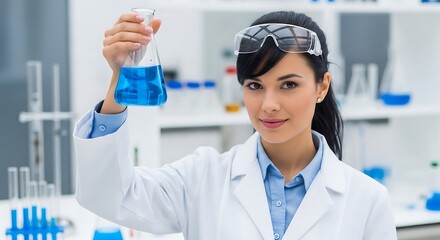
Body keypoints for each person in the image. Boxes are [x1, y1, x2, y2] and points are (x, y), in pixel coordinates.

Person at [73, 10, 397, 240]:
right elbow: (109, 195)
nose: (269, 104)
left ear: (322, 87)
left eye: (288, 85)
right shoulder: (202, 178)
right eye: (255, 85)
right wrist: (120, 78)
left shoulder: (367, 199)